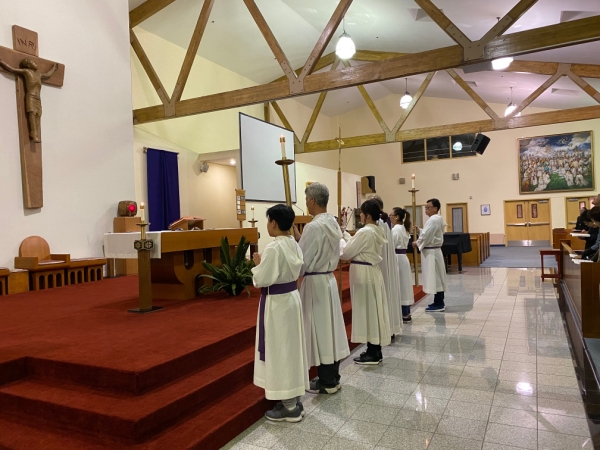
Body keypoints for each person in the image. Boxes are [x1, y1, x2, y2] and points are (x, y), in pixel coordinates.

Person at [252, 204, 309, 422]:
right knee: (290, 348)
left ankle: (289, 407)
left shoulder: (274, 248)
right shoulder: (293, 243)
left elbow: (262, 279)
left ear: (273, 222)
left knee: (281, 350)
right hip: (291, 298)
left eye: (267, 221)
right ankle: (293, 397)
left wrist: (258, 265)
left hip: (277, 303)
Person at [294, 183, 350, 394]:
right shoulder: (332, 222)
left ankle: (327, 382)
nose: (306, 203)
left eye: (306, 199)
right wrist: (300, 240)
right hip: (328, 279)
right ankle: (333, 376)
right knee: (330, 329)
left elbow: (302, 261)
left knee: (320, 330)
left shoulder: (313, 227)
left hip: (315, 284)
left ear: (312, 200)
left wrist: (294, 248)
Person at [340, 199, 391, 365]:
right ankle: (374, 349)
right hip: (370, 272)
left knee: (367, 311)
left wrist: (339, 239)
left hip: (364, 274)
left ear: (367, 215)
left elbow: (346, 252)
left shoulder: (366, 231)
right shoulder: (375, 229)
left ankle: (372, 352)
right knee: (372, 311)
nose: (360, 215)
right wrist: (344, 234)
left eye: (361, 213)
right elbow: (356, 244)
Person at [368, 195, 403, 339]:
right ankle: (390, 326)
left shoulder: (378, 223)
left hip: (380, 263)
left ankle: (384, 328)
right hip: (386, 261)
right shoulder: (385, 221)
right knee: (388, 292)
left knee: (382, 294)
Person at [0, 58, 58, 142]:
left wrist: (54, 69)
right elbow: (12, 69)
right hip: (31, 96)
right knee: (32, 113)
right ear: (28, 65)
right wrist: (1, 62)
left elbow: (47, 75)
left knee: (38, 115)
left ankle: (35, 132)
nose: (35, 63)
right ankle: (33, 134)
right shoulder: (26, 71)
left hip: (38, 98)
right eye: (33, 62)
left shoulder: (39, 74)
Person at [413, 198, 447, 312]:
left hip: (432, 253)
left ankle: (439, 303)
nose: (426, 209)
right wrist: (419, 230)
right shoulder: (436, 219)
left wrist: (417, 242)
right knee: (435, 277)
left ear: (435, 208)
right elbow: (428, 233)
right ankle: (437, 301)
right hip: (432, 252)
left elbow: (427, 235)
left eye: (428, 207)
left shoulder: (433, 220)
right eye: (425, 207)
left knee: (436, 277)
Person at [391, 207, 415, 323]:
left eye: (391, 215)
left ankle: (403, 312)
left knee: (399, 285)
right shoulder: (404, 228)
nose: (389, 217)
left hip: (397, 258)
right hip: (403, 258)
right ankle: (406, 312)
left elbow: (391, 244)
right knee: (404, 285)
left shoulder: (396, 229)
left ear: (396, 217)